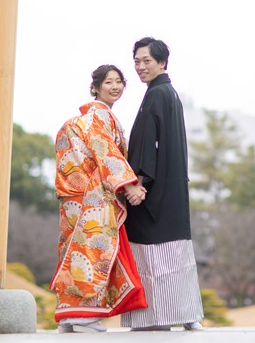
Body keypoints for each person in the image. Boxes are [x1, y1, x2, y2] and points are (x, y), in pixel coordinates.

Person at [50, 64, 148, 333]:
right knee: (93, 251)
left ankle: (68, 313)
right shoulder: (98, 116)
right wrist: (129, 187)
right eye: (108, 83)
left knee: (74, 251)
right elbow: (106, 153)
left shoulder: (87, 118)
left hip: (74, 195)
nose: (115, 87)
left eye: (119, 82)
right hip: (92, 195)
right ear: (95, 87)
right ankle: (83, 315)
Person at [121, 37, 204, 331]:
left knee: (151, 253)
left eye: (147, 61)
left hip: (153, 193)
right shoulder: (170, 93)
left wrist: (136, 184)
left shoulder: (157, 95)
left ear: (162, 63)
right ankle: (188, 314)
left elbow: (145, 146)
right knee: (177, 253)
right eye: (137, 62)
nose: (141, 67)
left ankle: (156, 316)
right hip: (174, 189)